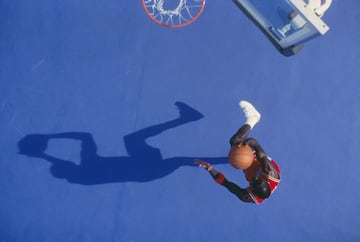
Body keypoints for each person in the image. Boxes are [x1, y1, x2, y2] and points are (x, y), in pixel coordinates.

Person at [195, 101, 280, 204]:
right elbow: (255, 143)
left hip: (251, 171)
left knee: (236, 158)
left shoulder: (247, 197)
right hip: (260, 164)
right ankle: (253, 118)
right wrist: (245, 144)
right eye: (259, 179)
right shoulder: (269, 171)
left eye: (254, 181)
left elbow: (227, 184)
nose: (256, 177)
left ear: (251, 189)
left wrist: (210, 169)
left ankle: (243, 160)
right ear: (266, 181)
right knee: (235, 142)